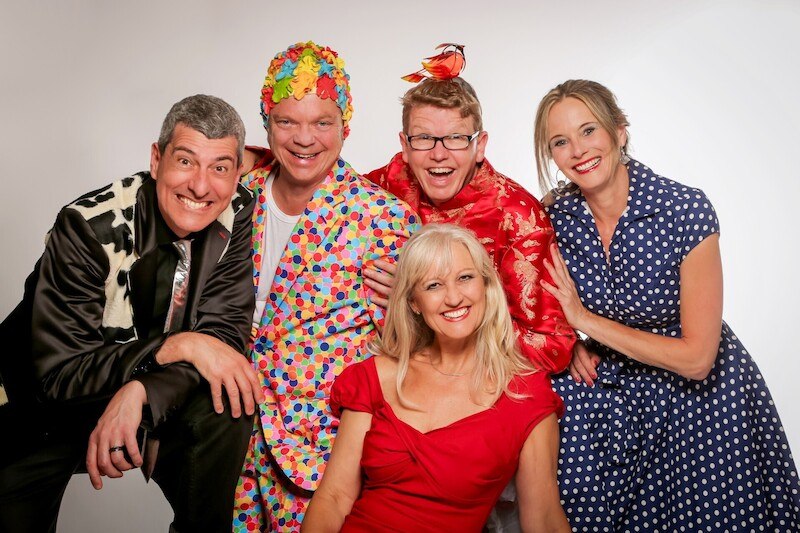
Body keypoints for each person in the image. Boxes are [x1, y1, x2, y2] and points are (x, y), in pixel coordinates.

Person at [534, 79, 800, 531]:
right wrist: (567, 340)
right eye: (560, 141)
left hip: (702, 398)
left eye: (589, 131)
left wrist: (584, 321)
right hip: (612, 395)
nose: (577, 150)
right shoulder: (554, 219)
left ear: (620, 132)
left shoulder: (685, 210)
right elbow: (523, 301)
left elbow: (698, 359)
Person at [0, 94, 262, 533]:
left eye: (219, 168)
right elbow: (59, 375)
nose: (201, 186)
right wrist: (177, 346)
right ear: (156, 160)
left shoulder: (236, 210)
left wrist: (143, 391)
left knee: (228, 399)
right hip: (35, 409)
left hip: (137, 397)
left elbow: (222, 338)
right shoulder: (87, 226)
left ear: (236, 174)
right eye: (185, 161)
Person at [232, 42, 418, 532]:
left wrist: (414, 297)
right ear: (267, 123)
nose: (304, 139)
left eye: (322, 122)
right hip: (227, 440)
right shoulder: (233, 199)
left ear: (345, 126)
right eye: (287, 121)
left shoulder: (384, 220)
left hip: (324, 459)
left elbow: (412, 353)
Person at [301, 223, 569, 532]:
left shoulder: (525, 394)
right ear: (414, 302)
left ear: (486, 286)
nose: (453, 298)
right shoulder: (374, 377)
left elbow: (545, 520)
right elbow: (334, 498)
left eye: (465, 278)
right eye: (433, 286)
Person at [364, 69, 575, 376]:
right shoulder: (377, 190)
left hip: (478, 387)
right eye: (424, 138)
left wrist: (423, 300)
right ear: (405, 146)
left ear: (480, 145)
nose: (439, 153)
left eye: (456, 138)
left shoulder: (517, 217)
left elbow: (550, 349)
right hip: (388, 376)